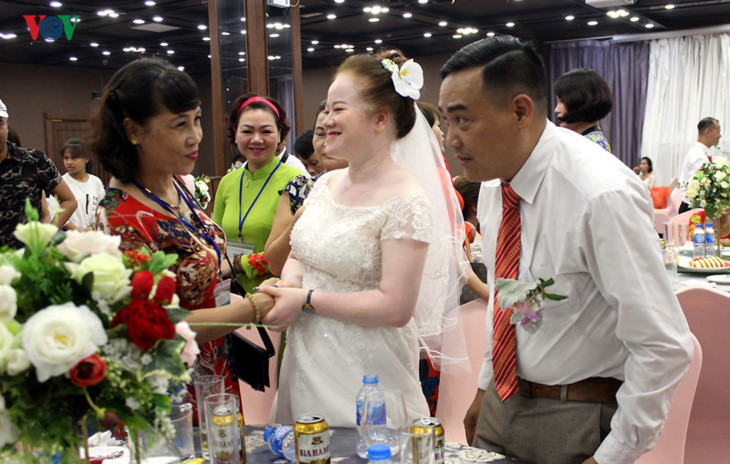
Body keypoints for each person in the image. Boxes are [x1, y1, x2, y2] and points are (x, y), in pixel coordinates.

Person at [439, 36, 693, 464]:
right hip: (502, 400)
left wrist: (611, 456)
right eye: (447, 122)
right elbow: (506, 294)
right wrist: (485, 385)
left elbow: (664, 344)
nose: (451, 140)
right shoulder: (495, 184)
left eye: (463, 121)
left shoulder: (600, 193)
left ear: (520, 111)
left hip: (574, 413)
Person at [258, 53, 468, 426]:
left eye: (338, 109)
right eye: (326, 109)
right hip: (304, 362)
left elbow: (395, 306)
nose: (326, 120)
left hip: (366, 373)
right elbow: (301, 253)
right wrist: (289, 283)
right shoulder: (324, 183)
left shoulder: (407, 201)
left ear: (380, 119)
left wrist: (305, 300)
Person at [88, 58, 274, 401]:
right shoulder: (119, 218)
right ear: (133, 131)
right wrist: (253, 308)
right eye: (180, 125)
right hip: (172, 386)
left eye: (197, 120)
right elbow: (156, 326)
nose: (195, 136)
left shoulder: (175, 185)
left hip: (215, 362)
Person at [212, 93, 301, 294]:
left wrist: (237, 264)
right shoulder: (227, 182)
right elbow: (215, 240)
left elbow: (293, 250)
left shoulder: (296, 181)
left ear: (280, 134)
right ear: (235, 133)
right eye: (247, 131)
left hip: (276, 292)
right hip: (230, 294)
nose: (256, 139)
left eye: (266, 131)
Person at [263, 101, 347, 276]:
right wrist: (299, 218)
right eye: (320, 134)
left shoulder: (381, 191)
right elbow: (274, 264)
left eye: (336, 133)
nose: (327, 142)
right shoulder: (299, 188)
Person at [0, 98, 77, 248]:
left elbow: (69, 201)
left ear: (7, 126)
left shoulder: (34, 161)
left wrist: (48, 235)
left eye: (0, 123)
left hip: (26, 256)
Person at [553, 67, 613, 152]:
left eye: (561, 102)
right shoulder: (587, 140)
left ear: (579, 102)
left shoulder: (591, 145)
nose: (556, 110)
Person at [678, 117, 722, 213]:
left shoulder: (701, 152)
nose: (720, 136)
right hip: (692, 208)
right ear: (707, 132)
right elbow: (698, 187)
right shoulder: (699, 156)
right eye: (718, 131)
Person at [60, 138, 106, 230]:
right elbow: (55, 213)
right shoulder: (61, 182)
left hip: (94, 233)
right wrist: (78, 231)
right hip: (69, 234)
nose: (69, 162)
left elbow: (102, 208)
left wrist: (92, 227)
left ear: (86, 158)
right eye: (66, 158)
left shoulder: (96, 182)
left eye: (74, 158)